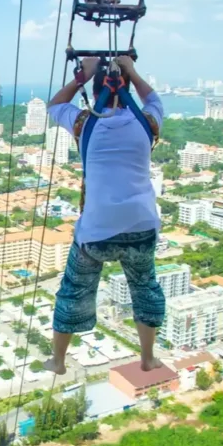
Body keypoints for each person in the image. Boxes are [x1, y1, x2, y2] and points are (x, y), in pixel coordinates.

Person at [43, 54, 165, 374]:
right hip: (141, 225)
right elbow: (153, 99)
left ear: (95, 90)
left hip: (96, 231)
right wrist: (133, 72)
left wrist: (82, 75)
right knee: (145, 287)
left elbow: (55, 105)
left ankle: (58, 360)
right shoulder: (147, 122)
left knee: (74, 290)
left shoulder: (84, 123)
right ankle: (148, 357)